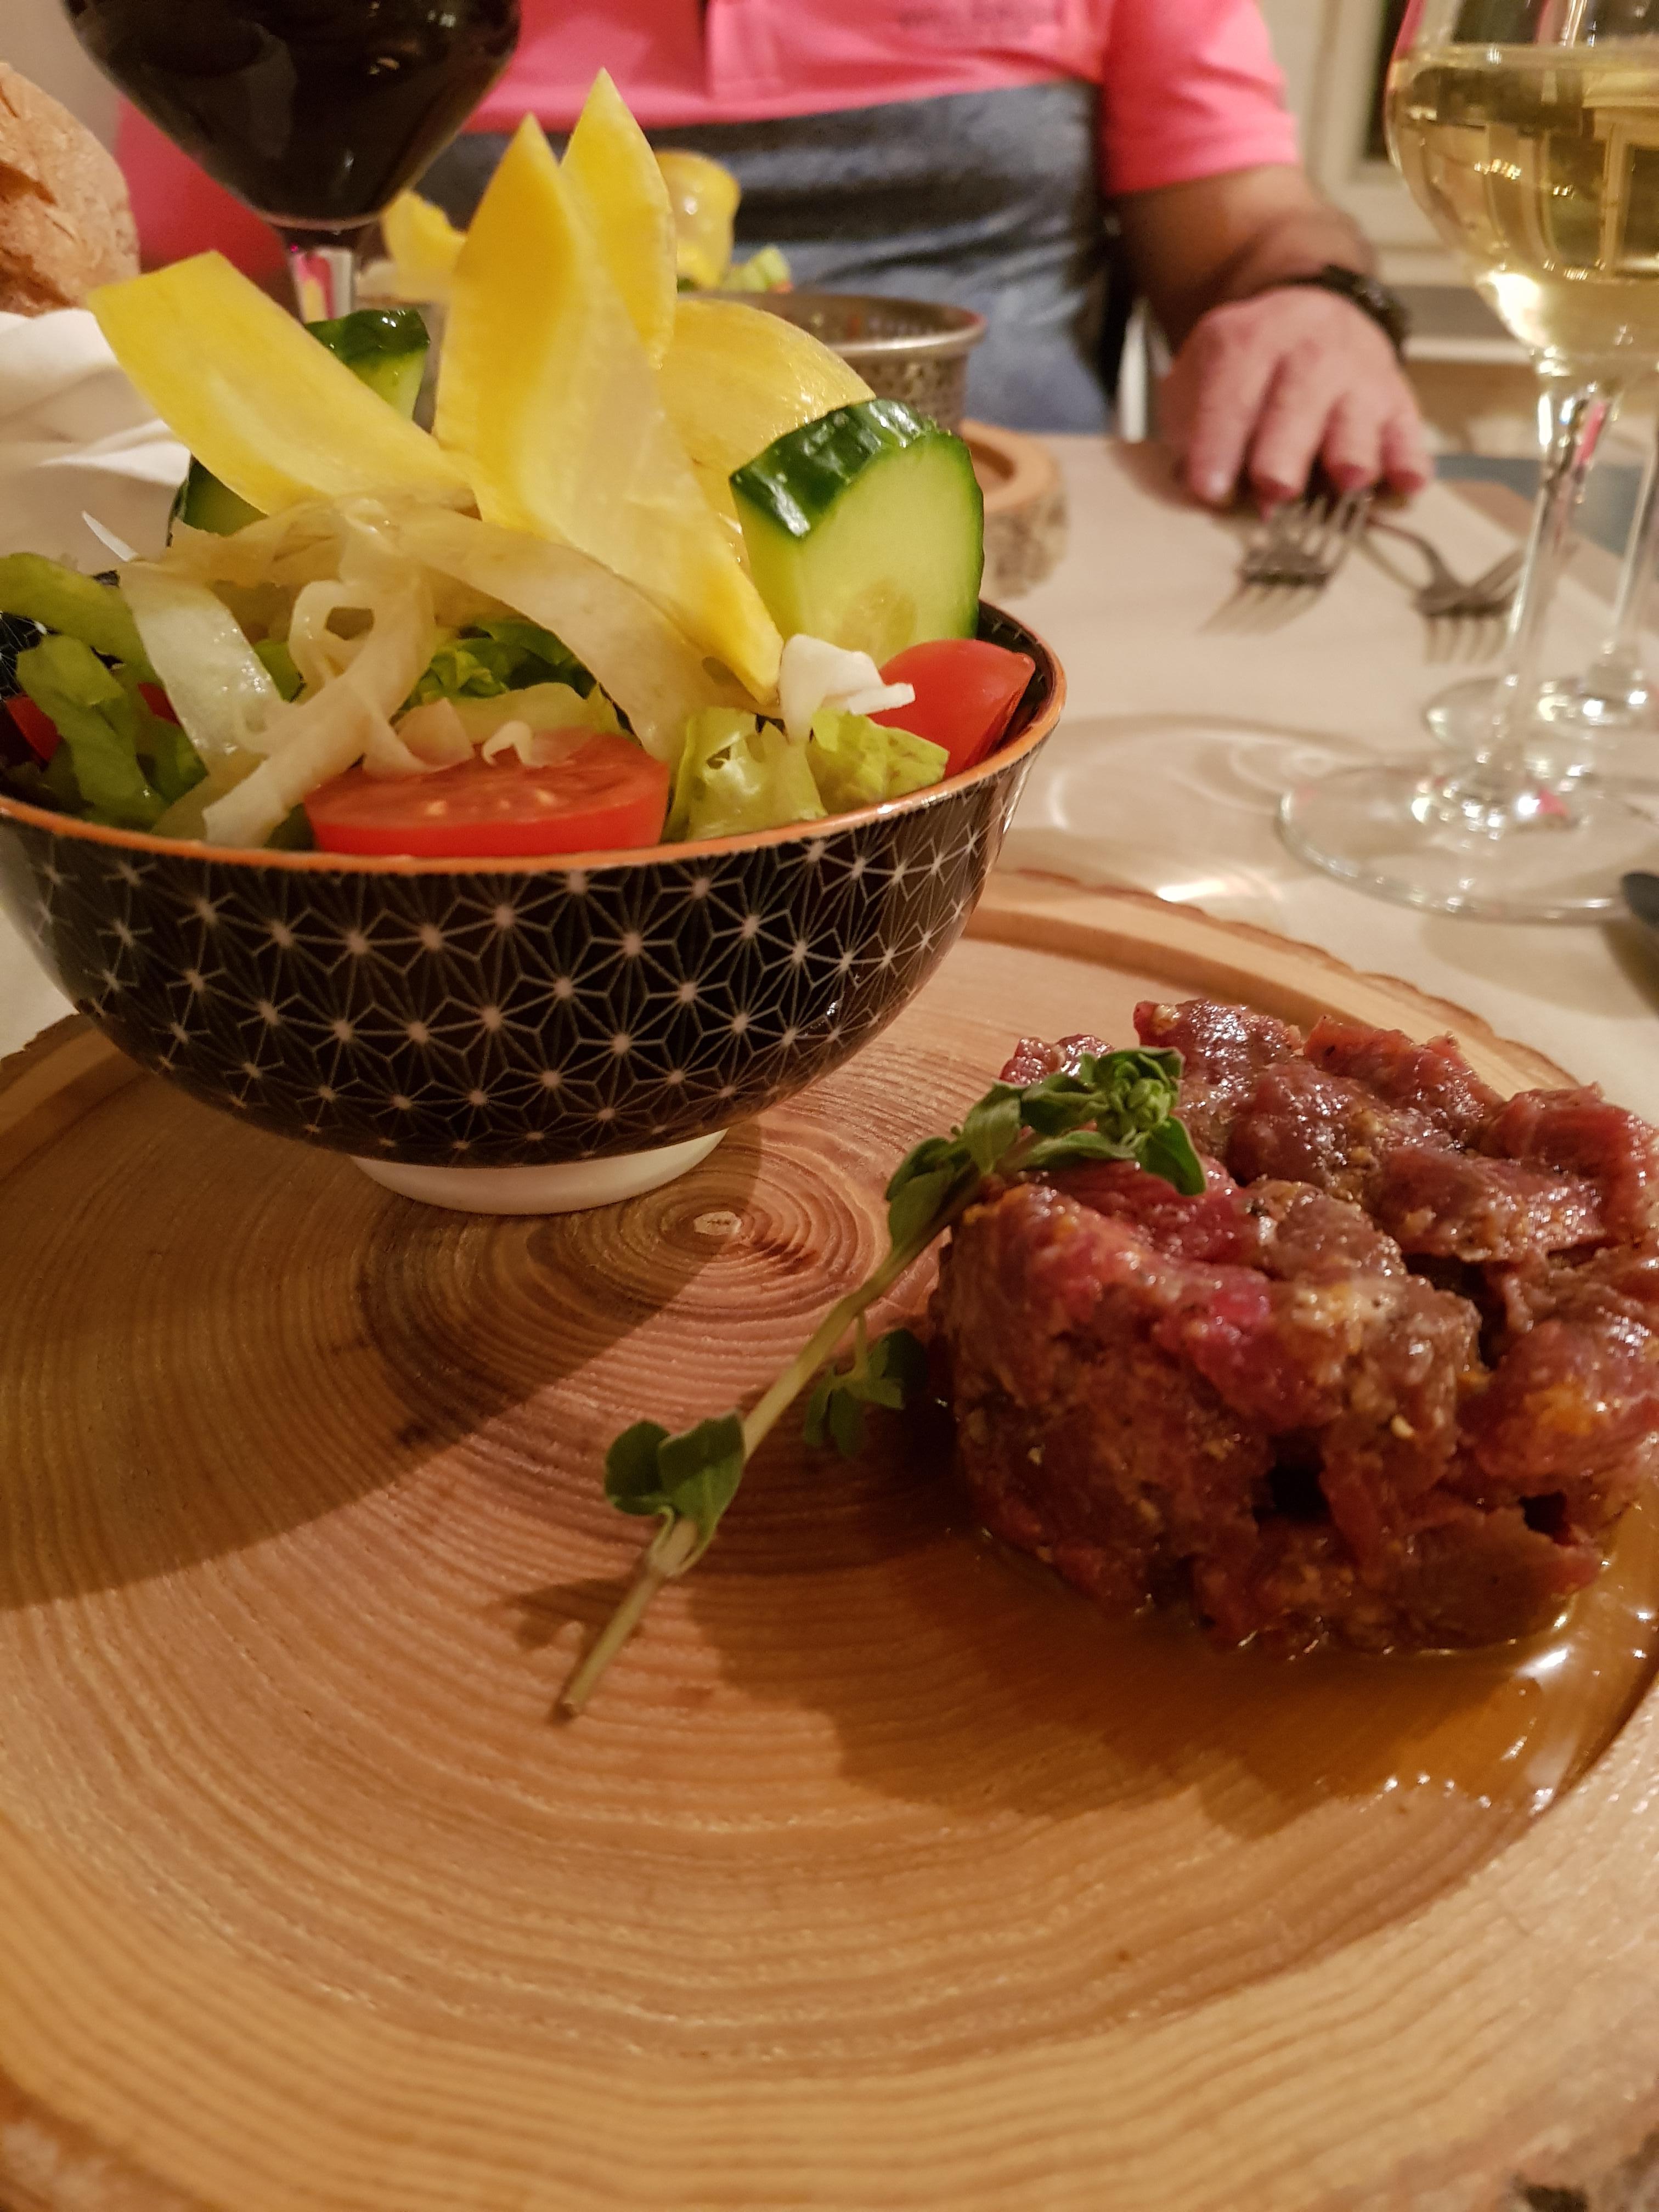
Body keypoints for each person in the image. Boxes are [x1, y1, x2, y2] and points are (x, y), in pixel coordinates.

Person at [117, 0, 1430, 510]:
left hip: (1032, 571)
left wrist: (1322, 303)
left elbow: (1258, 232)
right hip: (504, 602)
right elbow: (188, 322)